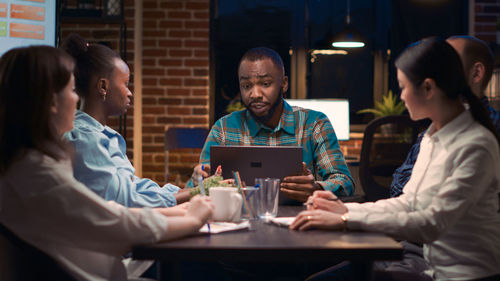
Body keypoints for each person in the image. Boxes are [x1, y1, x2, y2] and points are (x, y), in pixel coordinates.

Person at [291, 37, 500, 281]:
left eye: (403, 86)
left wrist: (344, 219)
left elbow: (431, 223)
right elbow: (408, 203)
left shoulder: (477, 144)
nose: (400, 96)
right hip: (427, 265)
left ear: (429, 88)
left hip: (462, 275)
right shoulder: (432, 137)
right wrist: (344, 208)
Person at [0, 45, 213, 280]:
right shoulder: (37, 173)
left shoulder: (25, 165)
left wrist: (181, 210)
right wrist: (193, 218)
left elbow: (105, 210)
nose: (76, 97)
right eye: (71, 89)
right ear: (51, 101)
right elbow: (117, 223)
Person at [188, 47, 354, 202]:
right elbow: (192, 188)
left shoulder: (314, 124)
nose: (255, 94)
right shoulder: (223, 128)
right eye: (246, 86)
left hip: (300, 222)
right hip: (238, 221)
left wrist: (316, 188)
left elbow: (344, 182)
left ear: (284, 84)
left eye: (265, 84)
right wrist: (199, 181)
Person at [62, 34, 191, 208]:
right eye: (126, 84)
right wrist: (189, 195)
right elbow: (123, 200)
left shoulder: (101, 135)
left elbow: (131, 186)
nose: (130, 93)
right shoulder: (85, 139)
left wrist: (183, 193)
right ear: (103, 87)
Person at [391, 35, 500, 197]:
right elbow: (399, 184)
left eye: (449, 63)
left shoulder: (486, 133)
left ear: (476, 73)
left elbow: (440, 211)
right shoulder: (434, 129)